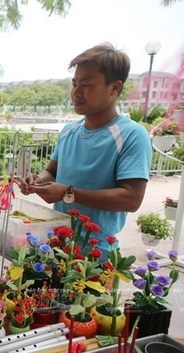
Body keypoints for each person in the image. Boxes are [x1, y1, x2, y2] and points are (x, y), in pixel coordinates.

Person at [19, 43, 152, 254]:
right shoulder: (69, 131)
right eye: (74, 84)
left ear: (115, 88)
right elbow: (52, 170)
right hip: (55, 245)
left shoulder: (132, 135)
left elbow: (131, 198)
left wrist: (67, 192)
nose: (76, 92)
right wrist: (39, 181)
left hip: (97, 253)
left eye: (87, 85)